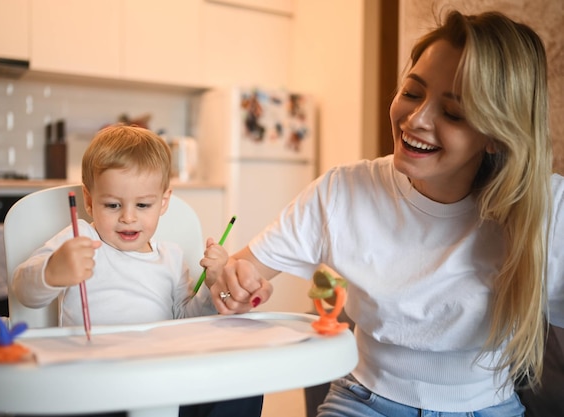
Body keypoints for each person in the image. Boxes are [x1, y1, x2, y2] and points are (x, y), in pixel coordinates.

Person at [211, 10, 564, 417]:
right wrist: (233, 286)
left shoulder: (544, 209)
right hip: (363, 403)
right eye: (412, 93)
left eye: (452, 113)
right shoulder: (343, 192)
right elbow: (238, 275)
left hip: (489, 407)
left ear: (495, 136)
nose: (416, 120)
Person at [13, 125, 263, 417]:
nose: (128, 217)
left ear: (163, 202)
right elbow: (22, 289)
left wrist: (212, 285)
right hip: (92, 383)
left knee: (246, 381)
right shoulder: (79, 238)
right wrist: (52, 271)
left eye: (143, 204)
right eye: (112, 204)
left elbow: (188, 323)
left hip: (164, 378)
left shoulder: (171, 256)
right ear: (90, 201)